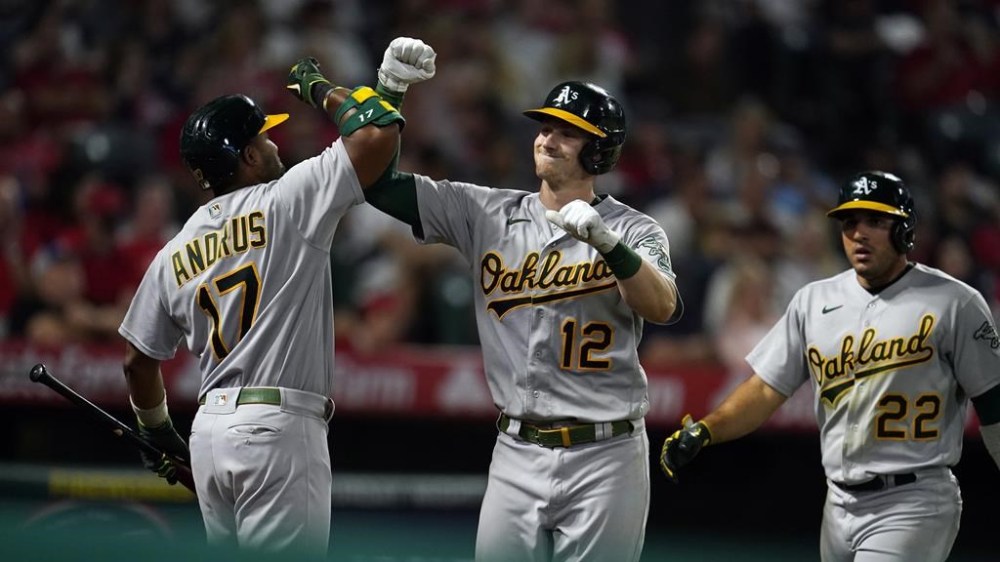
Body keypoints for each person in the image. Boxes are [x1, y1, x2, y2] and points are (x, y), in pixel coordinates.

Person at [116, 38, 435, 557]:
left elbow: (137, 360)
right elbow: (376, 136)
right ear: (246, 155)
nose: (274, 145)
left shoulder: (174, 249)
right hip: (277, 428)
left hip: (208, 434)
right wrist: (320, 88)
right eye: (264, 138)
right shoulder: (289, 199)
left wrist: (157, 431)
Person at [355, 71, 683, 560]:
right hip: (516, 448)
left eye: (567, 133)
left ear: (599, 151)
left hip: (606, 452)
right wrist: (389, 97)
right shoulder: (486, 211)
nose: (548, 139)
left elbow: (663, 305)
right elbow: (377, 184)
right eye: (545, 128)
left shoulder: (634, 229)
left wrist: (609, 245)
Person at [659, 171, 1000, 562]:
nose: (859, 234)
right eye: (850, 223)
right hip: (837, 502)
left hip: (915, 499)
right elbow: (767, 388)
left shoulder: (955, 302)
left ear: (905, 231)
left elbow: (993, 403)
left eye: (875, 221)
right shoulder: (814, 300)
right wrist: (707, 429)